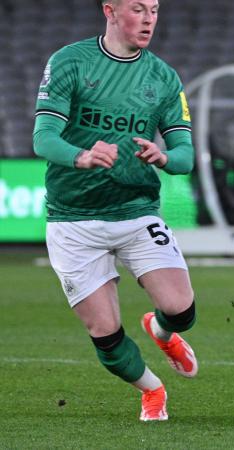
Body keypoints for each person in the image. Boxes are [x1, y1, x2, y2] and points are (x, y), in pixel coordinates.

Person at [32, 0, 198, 422]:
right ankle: (152, 389)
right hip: (73, 220)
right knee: (104, 334)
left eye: (154, 10)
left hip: (136, 212)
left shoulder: (163, 77)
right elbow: (43, 138)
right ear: (110, 11)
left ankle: (161, 330)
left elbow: (185, 155)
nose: (149, 19)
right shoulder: (70, 61)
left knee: (181, 309)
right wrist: (81, 156)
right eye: (138, 9)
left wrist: (164, 157)